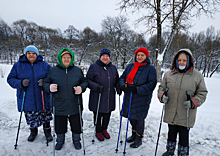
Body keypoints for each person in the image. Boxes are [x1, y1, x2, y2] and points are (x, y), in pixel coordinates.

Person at [157, 49, 208, 156]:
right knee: (171, 132)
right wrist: (162, 97)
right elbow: (161, 88)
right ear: (175, 61)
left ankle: (183, 153)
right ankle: (170, 151)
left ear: (189, 61)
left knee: (184, 135)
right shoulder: (168, 74)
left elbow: (202, 93)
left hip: (186, 113)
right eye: (179, 60)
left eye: (184, 60)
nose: (181, 62)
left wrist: (194, 102)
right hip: (171, 111)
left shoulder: (197, 76)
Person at [43, 48, 88, 150]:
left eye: (68, 57)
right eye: (64, 57)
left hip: (75, 103)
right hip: (59, 103)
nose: (66, 59)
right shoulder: (53, 70)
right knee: (59, 126)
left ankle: (76, 140)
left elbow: (84, 82)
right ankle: (60, 141)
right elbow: (46, 83)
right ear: (60, 58)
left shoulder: (77, 70)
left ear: (71, 59)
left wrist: (81, 88)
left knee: (77, 125)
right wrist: (49, 87)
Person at [7, 45, 53, 143]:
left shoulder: (45, 65)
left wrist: (44, 82)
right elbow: (10, 79)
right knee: (31, 117)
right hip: (27, 97)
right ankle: (33, 132)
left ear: (37, 55)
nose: (31, 55)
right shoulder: (18, 65)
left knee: (45, 116)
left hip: (42, 96)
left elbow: (52, 78)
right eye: (29, 53)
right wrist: (20, 83)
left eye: (33, 54)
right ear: (25, 54)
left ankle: (47, 132)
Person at [119, 47, 157, 148]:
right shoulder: (130, 66)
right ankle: (133, 134)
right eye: (138, 55)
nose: (140, 57)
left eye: (142, 55)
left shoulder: (150, 69)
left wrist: (136, 89)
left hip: (142, 99)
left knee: (139, 119)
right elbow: (122, 77)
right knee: (131, 117)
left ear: (146, 56)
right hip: (129, 96)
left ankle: (139, 138)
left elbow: (151, 84)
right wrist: (123, 85)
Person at [86, 48, 121, 141]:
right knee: (98, 114)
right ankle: (98, 131)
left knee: (107, 114)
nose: (105, 58)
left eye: (107, 56)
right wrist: (96, 86)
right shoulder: (93, 67)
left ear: (109, 57)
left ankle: (104, 129)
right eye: (103, 56)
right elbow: (87, 81)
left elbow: (117, 80)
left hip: (109, 96)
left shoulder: (113, 68)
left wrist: (118, 87)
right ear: (100, 57)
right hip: (98, 95)